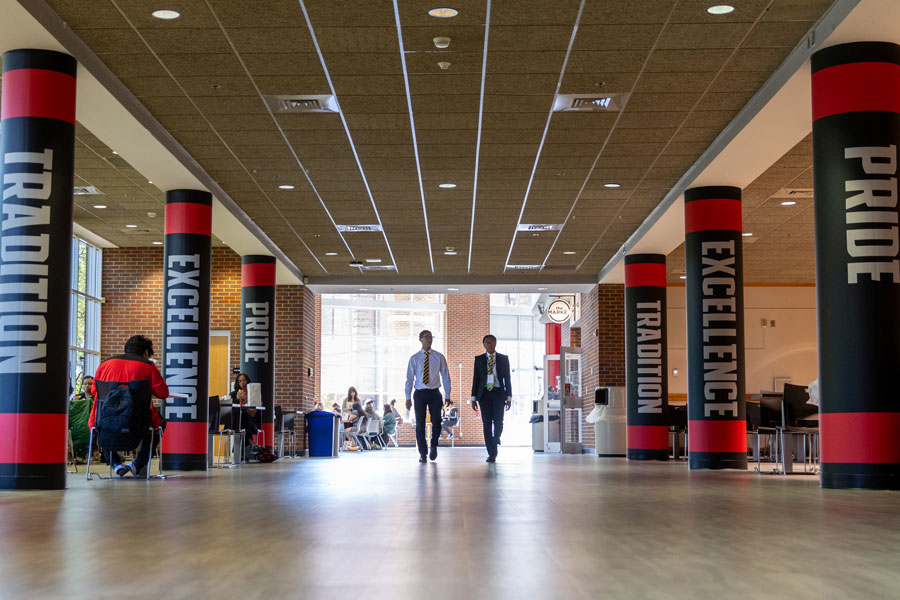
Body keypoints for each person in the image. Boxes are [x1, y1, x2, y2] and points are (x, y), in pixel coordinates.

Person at [89, 335, 168, 477]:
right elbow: (163, 393)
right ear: (145, 352)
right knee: (159, 425)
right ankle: (137, 464)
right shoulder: (147, 365)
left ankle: (115, 464)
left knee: (100, 428)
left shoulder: (105, 364)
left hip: (105, 419)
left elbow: (95, 391)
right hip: (136, 419)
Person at [405, 329, 451, 463]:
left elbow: (445, 376)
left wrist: (447, 394)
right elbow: (409, 379)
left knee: (437, 421)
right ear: (420, 339)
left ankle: (434, 446)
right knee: (420, 423)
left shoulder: (439, 357)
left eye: (431, 337)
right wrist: (407, 397)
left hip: (434, 393)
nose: (429, 339)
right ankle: (423, 453)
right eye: (426, 337)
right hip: (419, 393)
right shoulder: (414, 358)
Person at [471, 334, 512, 463]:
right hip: (484, 394)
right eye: (487, 342)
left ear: (495, 343)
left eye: (492, 342)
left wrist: (509, 397)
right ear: (484, 345)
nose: (490, 344)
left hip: (498, 393)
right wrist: (473, 398)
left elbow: (507, 379)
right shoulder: (479, 360)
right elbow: (476, 379)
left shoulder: (503, 359)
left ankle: (496, 438)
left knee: (499, 422)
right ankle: (492, 453)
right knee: (487, 424)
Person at [68, 376, 95, 460]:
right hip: (78, 422)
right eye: (85, 384)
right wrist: (74, 401)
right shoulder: (78, 397)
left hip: (90, 422)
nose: (87, 386)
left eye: (90, 384)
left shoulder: (97, 397)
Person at [231, 373, 259, 449]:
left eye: (244, 381)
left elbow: (254, 412)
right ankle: (250, 441)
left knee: (243, 417)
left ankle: (237, 448)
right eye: (240, 381)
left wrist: (247, 399)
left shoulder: (252, 394)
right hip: (235, 422)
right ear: (237, 383)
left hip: (252, 420)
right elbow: (231, 408)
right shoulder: (233, 394)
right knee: (242, 417)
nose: (242, 383)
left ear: (247, 382)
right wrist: (237, 400)